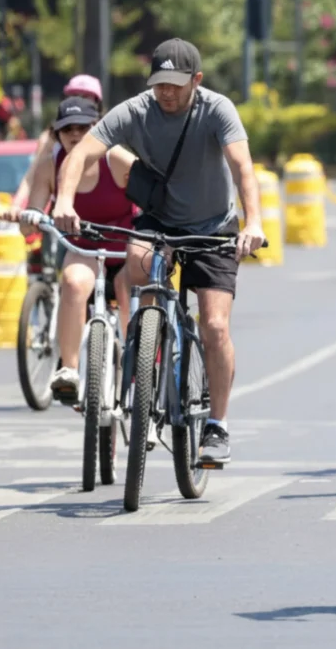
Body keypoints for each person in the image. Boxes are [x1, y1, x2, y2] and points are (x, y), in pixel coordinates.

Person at [51, 38, 266, 465]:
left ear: (196, 80)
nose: (165, 92)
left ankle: (218, 425)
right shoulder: (136, 110)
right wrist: (64, 201)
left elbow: (243, 167)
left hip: (213, 226)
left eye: (175, 84)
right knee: (137, 267)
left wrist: (254, 222)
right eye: (159, 84)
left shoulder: (217, 109)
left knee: (215, 326)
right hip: (159, 222)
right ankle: (144, 372)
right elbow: (80, 154)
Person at [1, 96, 138, 400]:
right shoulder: (51, 165)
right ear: (57, 133)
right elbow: (33, 216)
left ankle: (137, 367)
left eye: (83, 127)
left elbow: (153, 191)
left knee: (124, 285)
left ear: (97, 127)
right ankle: (70, 371)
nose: (75, 135)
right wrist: (24, 217)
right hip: (83, 248)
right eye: (67, 129)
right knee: (73, 283)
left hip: (124, 247)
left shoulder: (115, 158)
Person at [14, 75, 104, 210]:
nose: (75, 134)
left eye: (86, 96)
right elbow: (32, 174)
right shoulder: (50, 139)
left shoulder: (111, 134)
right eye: (67, 130)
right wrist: (17, 205)